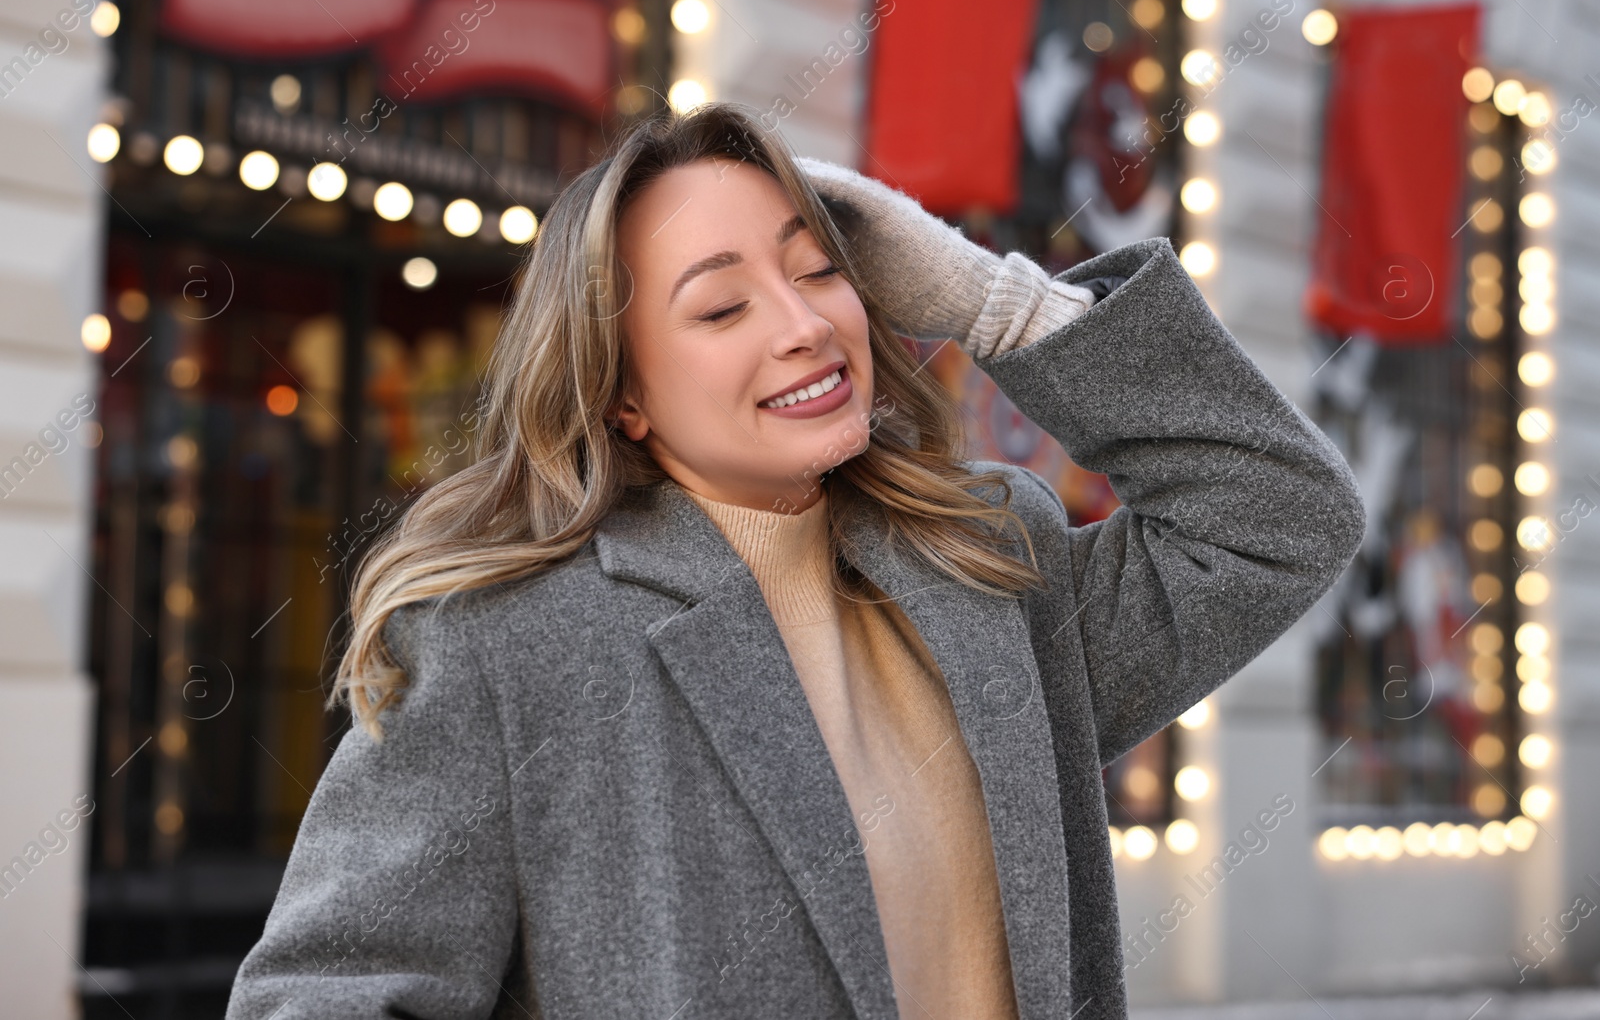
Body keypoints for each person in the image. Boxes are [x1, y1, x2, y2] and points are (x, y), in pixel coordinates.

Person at [224, 100, 1364, 1020]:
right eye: (721, 307)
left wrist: (990, 299)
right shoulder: (512, 638)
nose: (804, 325)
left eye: (817, 270)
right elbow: (325, 993)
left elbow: (1278, 515)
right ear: (621, 392)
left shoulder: (986, 563)